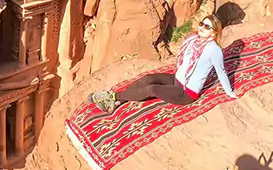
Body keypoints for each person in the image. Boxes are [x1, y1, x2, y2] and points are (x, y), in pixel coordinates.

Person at [88, 14, 238, 113]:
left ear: (215, 32)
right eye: (201, 24)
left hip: (186, 93)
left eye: (207, 27)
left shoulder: (214, 50)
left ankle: (111, 97)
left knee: (153, 89)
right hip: (177, 80)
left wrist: (230, 92)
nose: (202, 28)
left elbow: (221, 72)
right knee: (148, 78)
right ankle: (116, 102)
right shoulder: (194, 40)